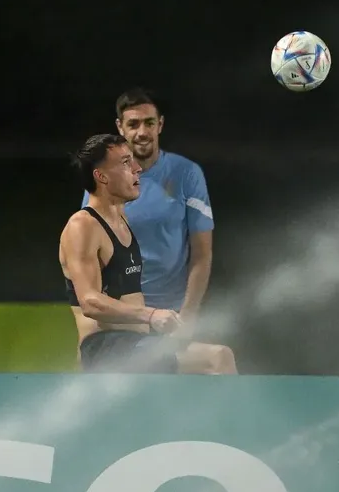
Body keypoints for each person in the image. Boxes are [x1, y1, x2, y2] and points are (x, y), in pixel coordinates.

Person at [61, 134, 237, 374]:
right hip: (106, 349)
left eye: (133, 160)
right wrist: (152, 315)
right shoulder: (83, 225)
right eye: (125, 163)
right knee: (217, 359)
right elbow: (90, 302)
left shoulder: (121, 221)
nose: (137, 169)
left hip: (135, 344)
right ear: (101, 176)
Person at [81, 88, 214, 323]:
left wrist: (188, 317)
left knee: (217, 358)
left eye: (149, 123)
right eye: (133, 125)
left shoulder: (187, 174)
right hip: (123, 314)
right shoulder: (103, 177)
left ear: (160, 125)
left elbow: (202, 254)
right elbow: (87, 249)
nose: (142, 132)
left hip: (173, 314)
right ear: (120, 127)